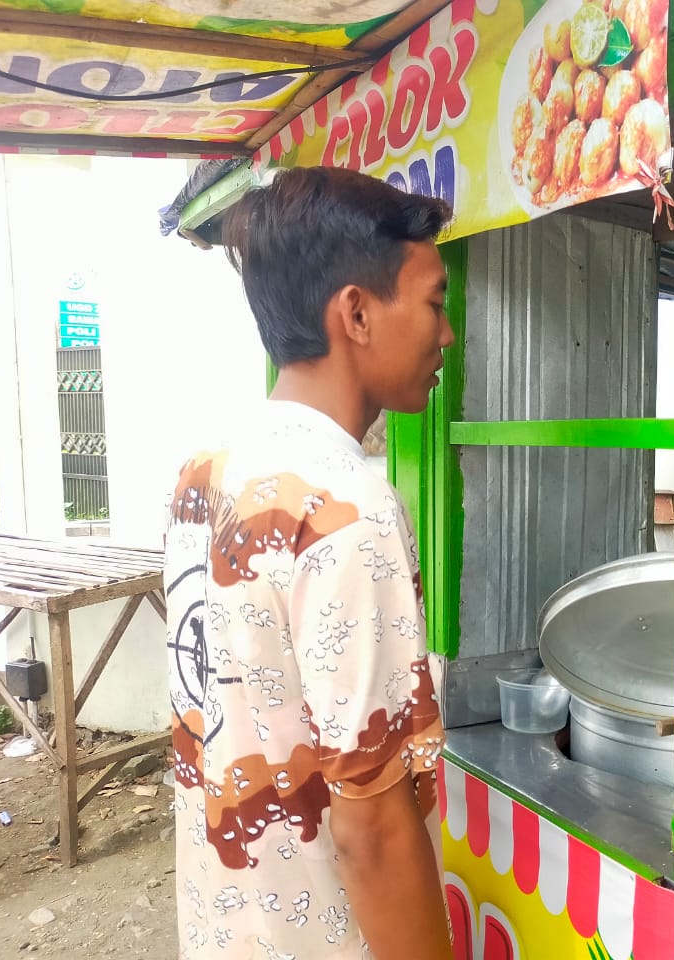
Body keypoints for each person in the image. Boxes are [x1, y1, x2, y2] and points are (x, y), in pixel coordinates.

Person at [163, 166, 454, 959]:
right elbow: (375, 830)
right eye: (435, 302)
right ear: (355, 312)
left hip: (225, 931)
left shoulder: (205, 473)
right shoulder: (349, 509)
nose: (447, 335)